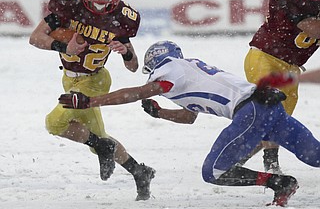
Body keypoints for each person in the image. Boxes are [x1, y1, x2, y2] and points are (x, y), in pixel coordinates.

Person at [59, 40, 320, 207]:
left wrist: (90, 101)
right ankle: (280, 184)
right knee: (315, 155)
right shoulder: (188, 70)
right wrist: (161, 113)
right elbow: (189, 116)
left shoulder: (169, 69)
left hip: (250, 110)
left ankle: (279, 183)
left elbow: (137, 92)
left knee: (214, 172)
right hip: (266, 104)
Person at [29, 0, 155, 201]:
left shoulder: (121, 18)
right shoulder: (69, 5)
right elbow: (35, 38)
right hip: (68, 78)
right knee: (97, 135)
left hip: (95, 80)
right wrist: (65, 46)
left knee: (55, 123)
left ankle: (103, 146)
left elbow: (133, 66)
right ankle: (140, 171)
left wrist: (125, 52)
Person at [242, 0, 320, 174]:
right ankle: (271, 163)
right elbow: (311, 28)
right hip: (264, 57)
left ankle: (234, 159)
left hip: (292, 67)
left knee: (277, 123)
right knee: (271, 108)